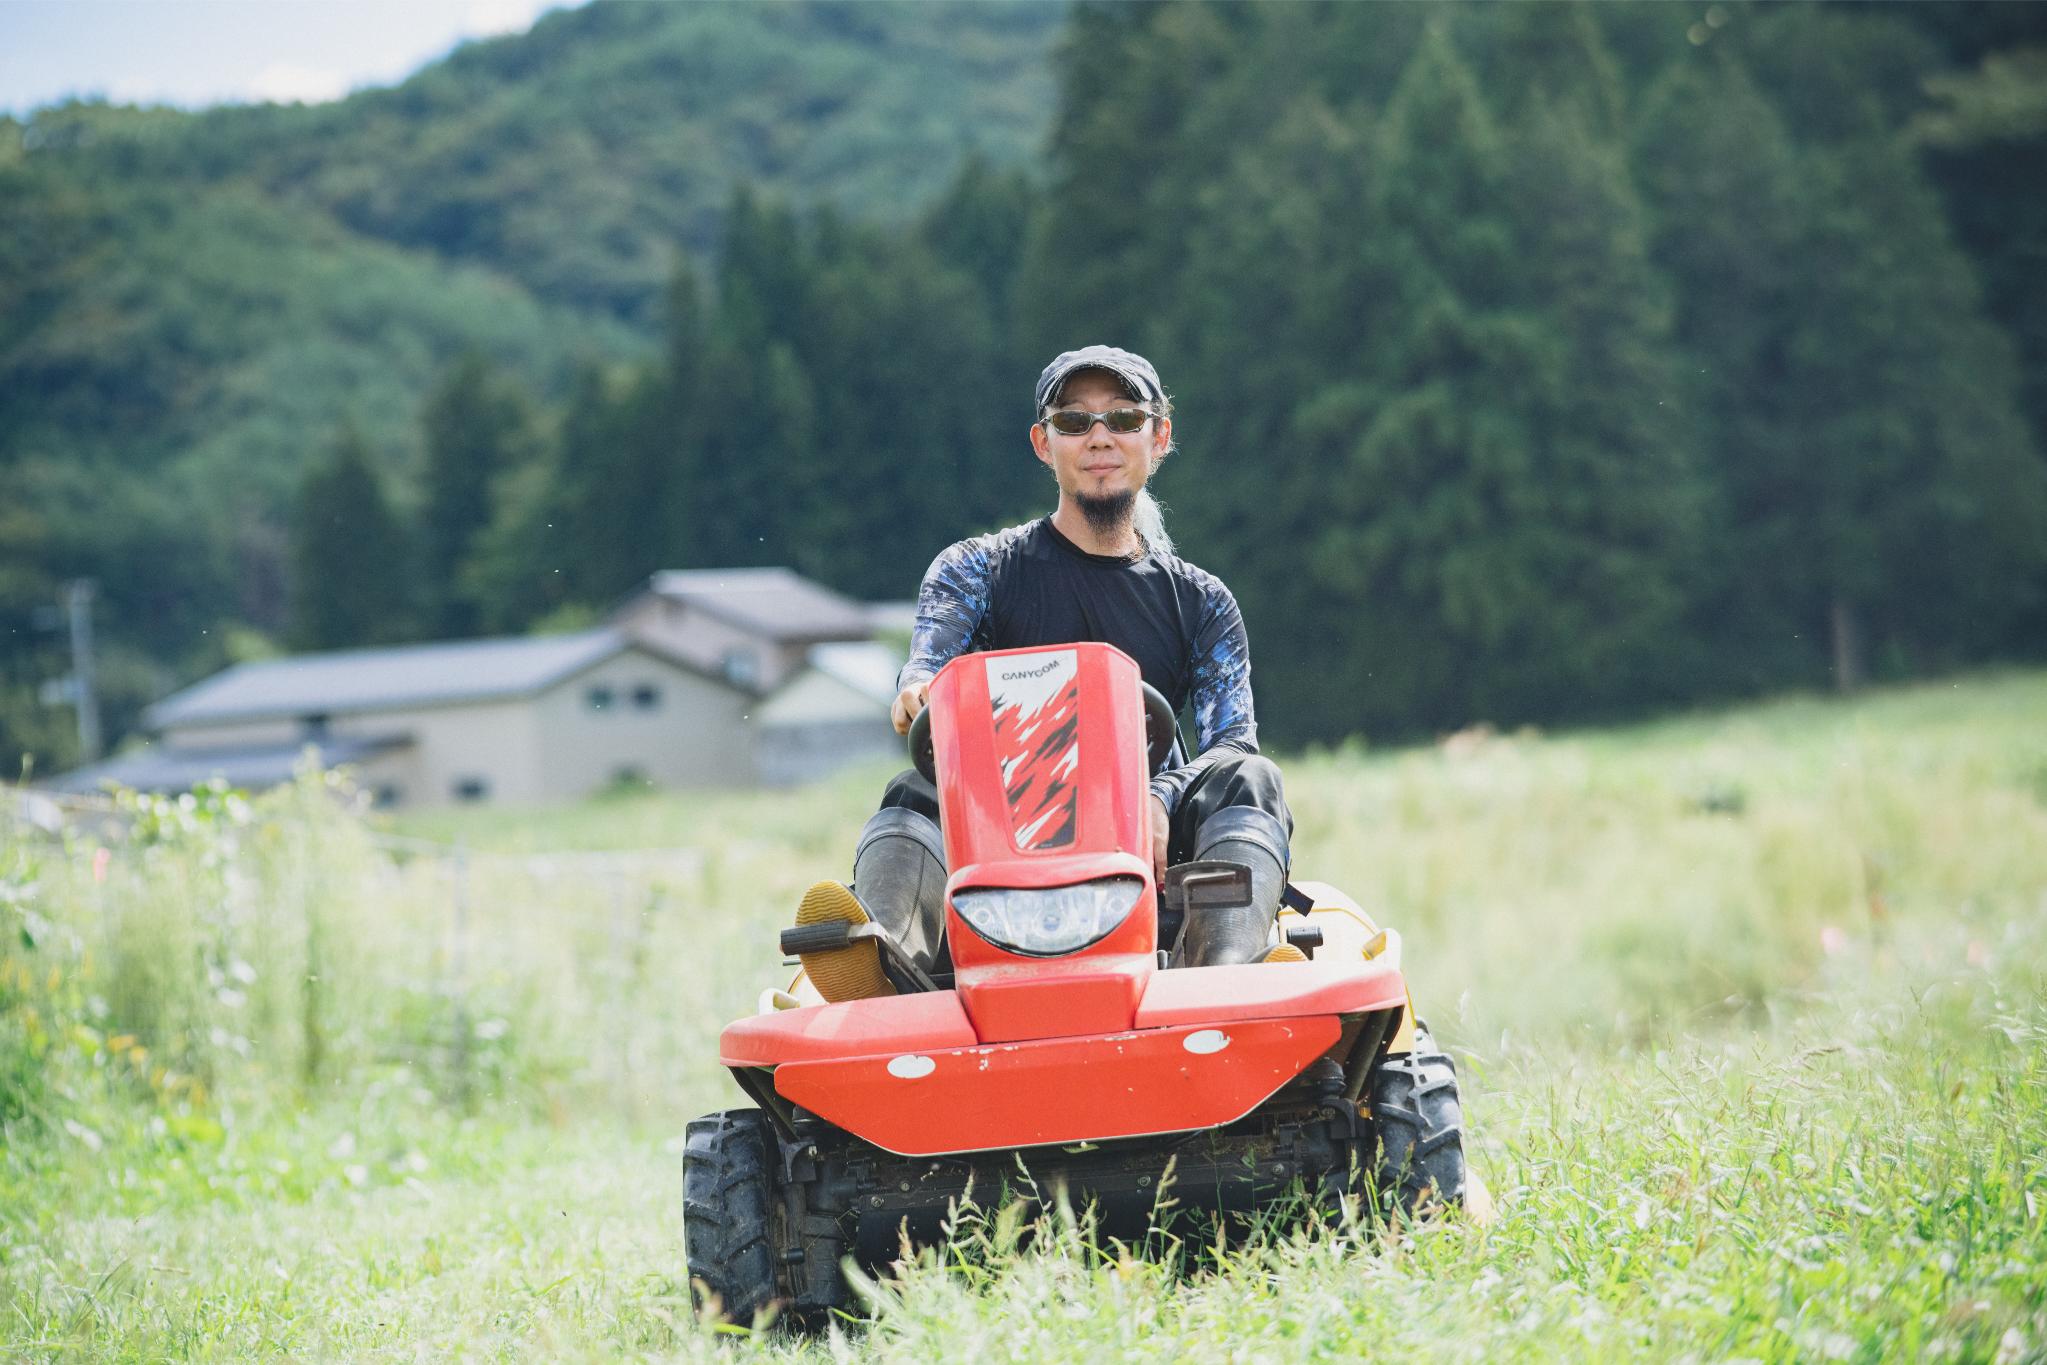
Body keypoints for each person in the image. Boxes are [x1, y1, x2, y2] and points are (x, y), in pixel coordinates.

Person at [794, 345, 1293, 1000]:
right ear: (1042, 442)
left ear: (1158, 435)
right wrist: (918, 686)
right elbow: (929, 659)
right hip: (1001, 827)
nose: (1098, 437)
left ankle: (1230, 972)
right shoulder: (976, 569)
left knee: (1250, 778)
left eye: (1121, 417)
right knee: (914, 791)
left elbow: (1233, 740)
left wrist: (1157, 796)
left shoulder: (1200, 601)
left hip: (1153, 839)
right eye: (1073, 421)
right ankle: (882, 964)